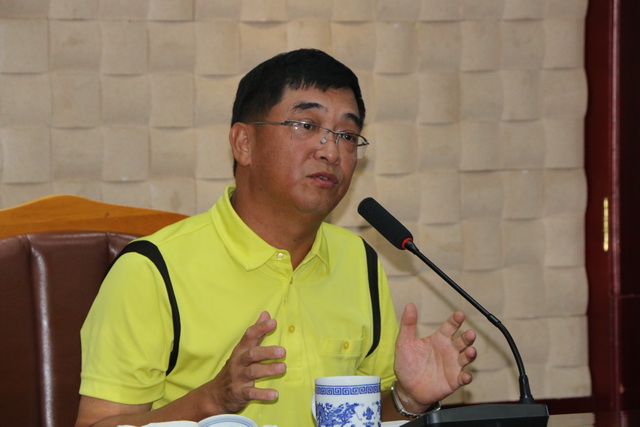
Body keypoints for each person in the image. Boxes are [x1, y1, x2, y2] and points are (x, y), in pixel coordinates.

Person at [75, 48, 477, 427]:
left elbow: (364, 417)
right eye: (307, 126)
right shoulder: (152, 270)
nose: (331, 152)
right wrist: (210, 400)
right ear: (244, 143)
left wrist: (409, 398)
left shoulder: (359, 260)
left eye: (347, 135)